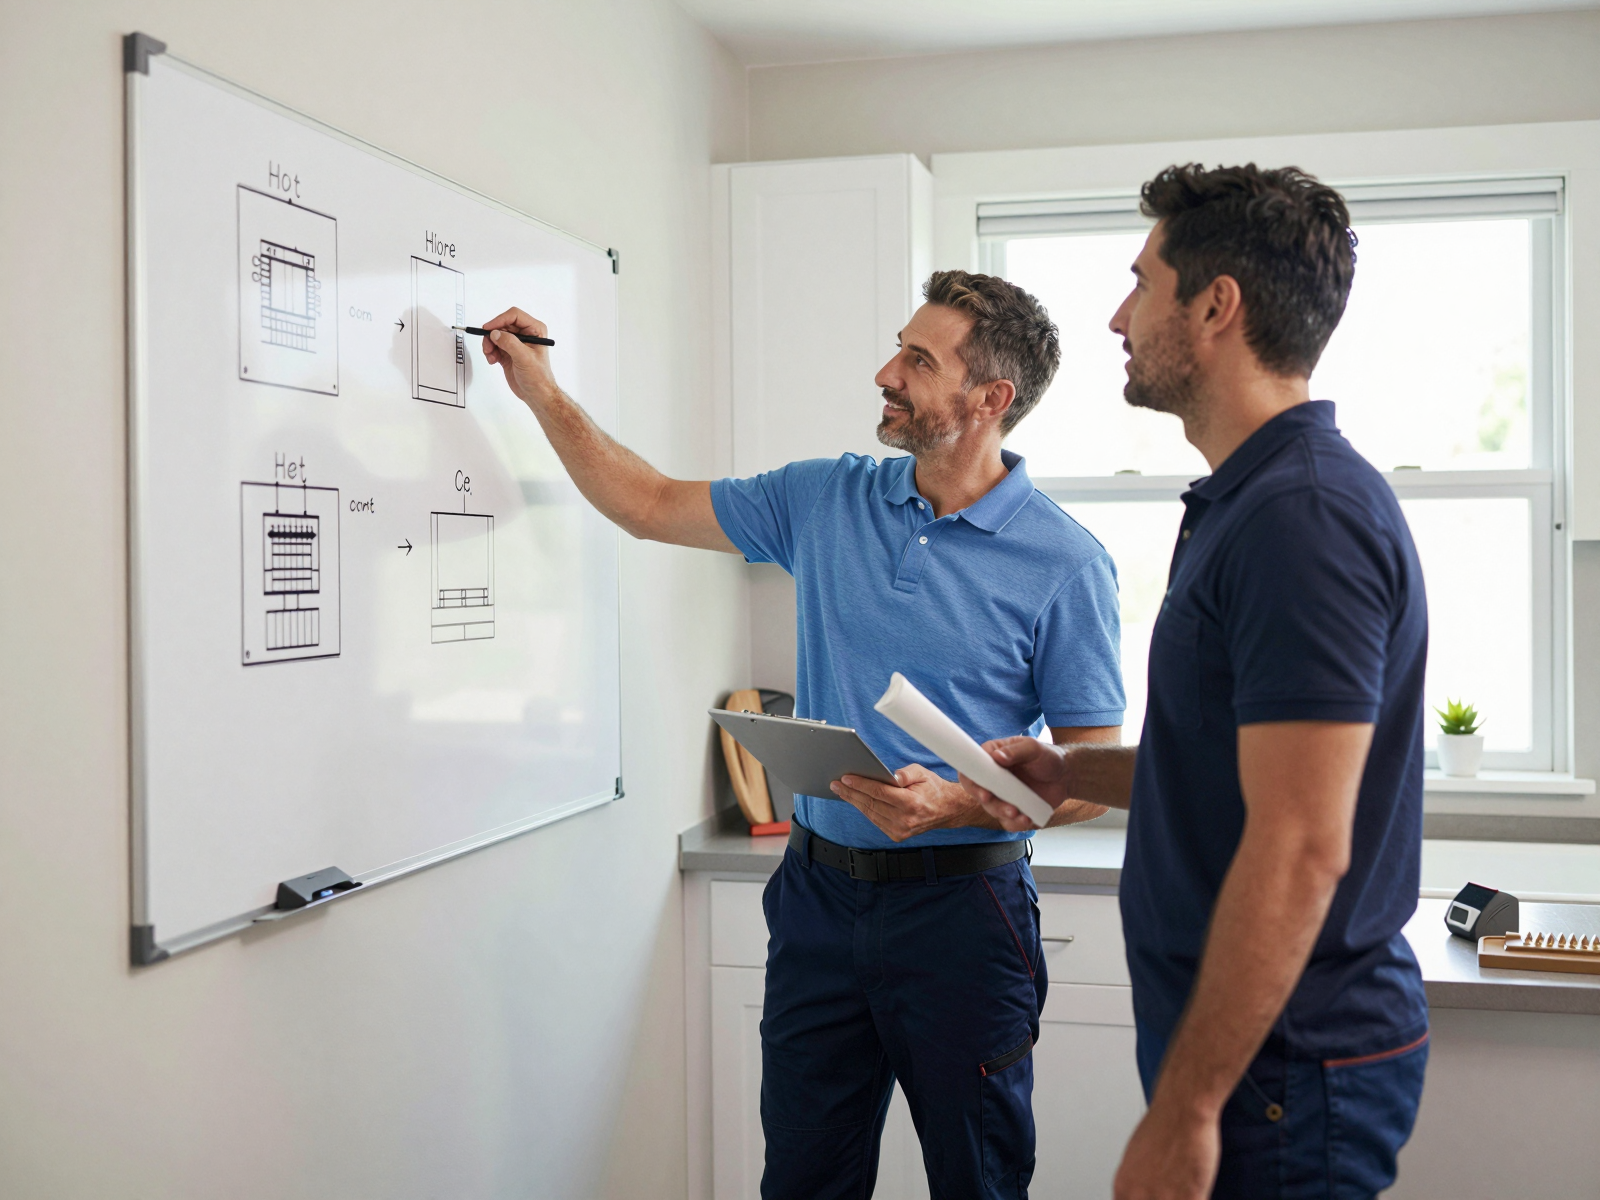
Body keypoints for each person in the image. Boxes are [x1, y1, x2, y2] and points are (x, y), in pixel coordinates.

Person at [476, 271, 1125, 1199]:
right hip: (819, 900)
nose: (885, 372)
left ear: (990, 400)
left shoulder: (1065, 563)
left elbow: (1092, 775)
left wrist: (957, 805)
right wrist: (540, 389)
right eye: (899, 346)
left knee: (979, 1183)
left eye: (918, 359)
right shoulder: (826, 498)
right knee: (804, 1181)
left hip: (965, 919)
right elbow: (649, 504)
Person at [964, 165, 1430, 1200]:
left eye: (1142, 282)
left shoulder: (1299, 517)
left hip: (1282, 1070)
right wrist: (1067, 771)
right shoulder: (1245, 500)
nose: (1118, 315)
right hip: (1254, 1058)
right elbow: (1235, 765)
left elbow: (1302, 844)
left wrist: (1188, 1110)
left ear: (1215, 305)